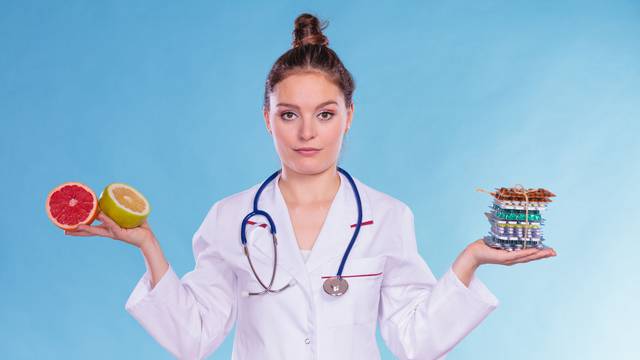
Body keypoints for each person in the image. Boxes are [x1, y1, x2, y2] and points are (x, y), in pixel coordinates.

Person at [66, 12, 556, 360]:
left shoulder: (388, 215)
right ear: (266, 119)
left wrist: (470, 259)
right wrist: (148, 246)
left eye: (325, 114)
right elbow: (193, 337)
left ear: (348, 118)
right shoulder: (229, 217)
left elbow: (415, 342)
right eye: (288, 115)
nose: (306, 133)